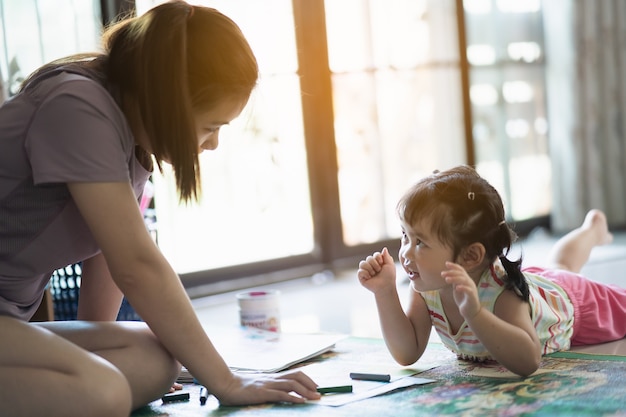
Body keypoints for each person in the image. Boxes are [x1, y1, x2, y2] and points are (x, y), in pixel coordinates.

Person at [0, 2, 321, 416]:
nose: (212, 144)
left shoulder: (127, 129)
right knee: (105, 392)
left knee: (154, 360)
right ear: (169, 101)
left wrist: (101, 353)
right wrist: (226, 381)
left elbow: (108, 260)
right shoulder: (78, 106)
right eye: (210, 126)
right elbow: (136, 264)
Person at [357, 165, 626, 377]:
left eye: (421, 243)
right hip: (540, 286)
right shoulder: (429, 288)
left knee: (565, 273)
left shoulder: (504, 293)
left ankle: (592, 231)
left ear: (471, 256)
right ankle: (593, 230)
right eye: (405, 236)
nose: (405, 252)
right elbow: (407, 352)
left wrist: (475, 314)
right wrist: (384, 292)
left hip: (572, 306)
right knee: (560, 268)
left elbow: (528, 360)